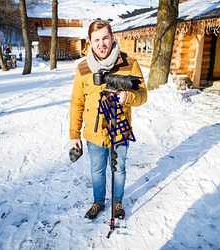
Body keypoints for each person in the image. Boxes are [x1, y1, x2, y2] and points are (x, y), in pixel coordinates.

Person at [69, 20, 147, 220]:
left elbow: (143, 95)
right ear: (90, 42)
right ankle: (98, 202)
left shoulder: (129, 63)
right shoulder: (83, 68)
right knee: (97, 170)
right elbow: (77, 102)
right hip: (94, 133)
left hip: (120, 129)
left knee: (119, 168)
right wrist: (74, 134)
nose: (101, 43)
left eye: (105, 38)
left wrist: (127, 97)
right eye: (96, 40)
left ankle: (118, 202)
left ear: (112, 38)